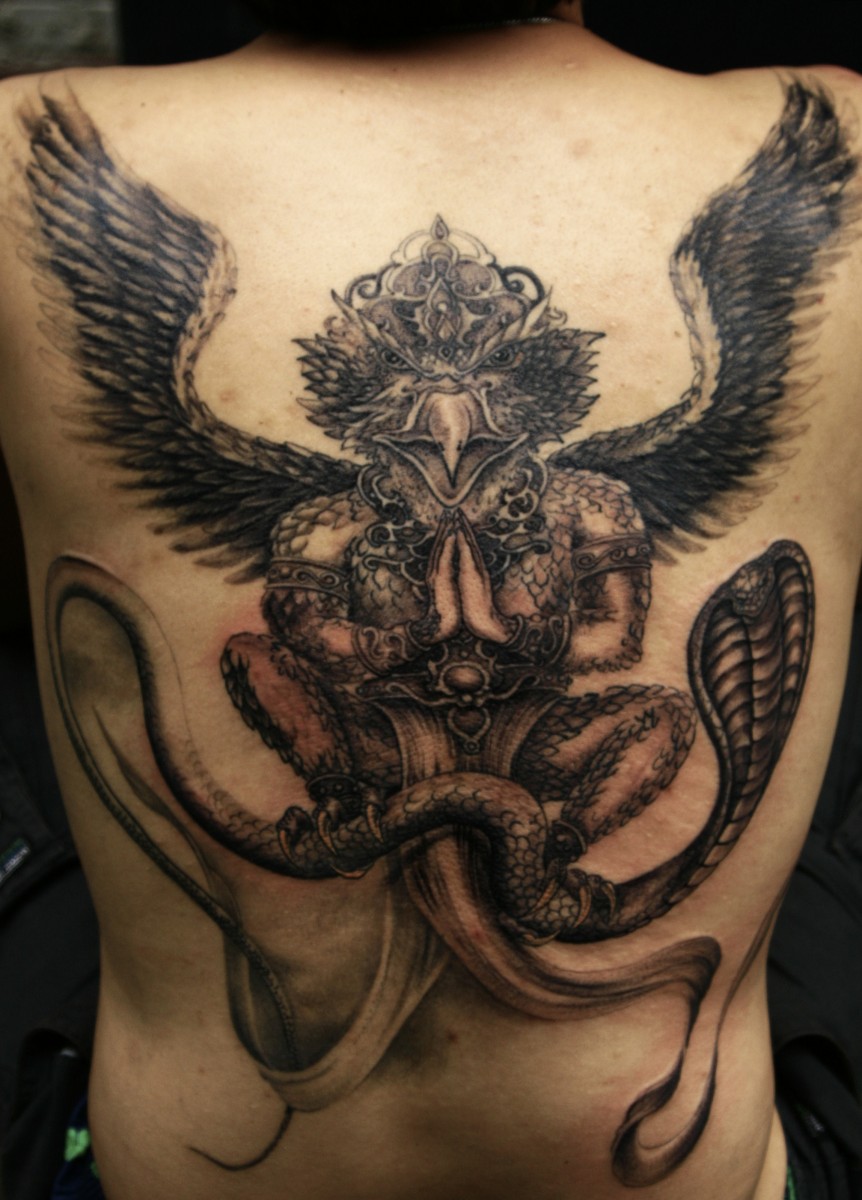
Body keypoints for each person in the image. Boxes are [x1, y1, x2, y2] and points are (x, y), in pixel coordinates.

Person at [0, 3, 860, 1198]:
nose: (451, 436)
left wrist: (528, 626)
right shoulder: (841, 136)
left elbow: (616, 638)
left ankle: (543, 855)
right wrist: (384, 645)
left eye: (483, 423)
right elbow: (297, 635)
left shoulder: (587, 504)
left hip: (540, 742)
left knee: (662, 716)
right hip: (371, 735)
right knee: (247, 662)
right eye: (414, 426)